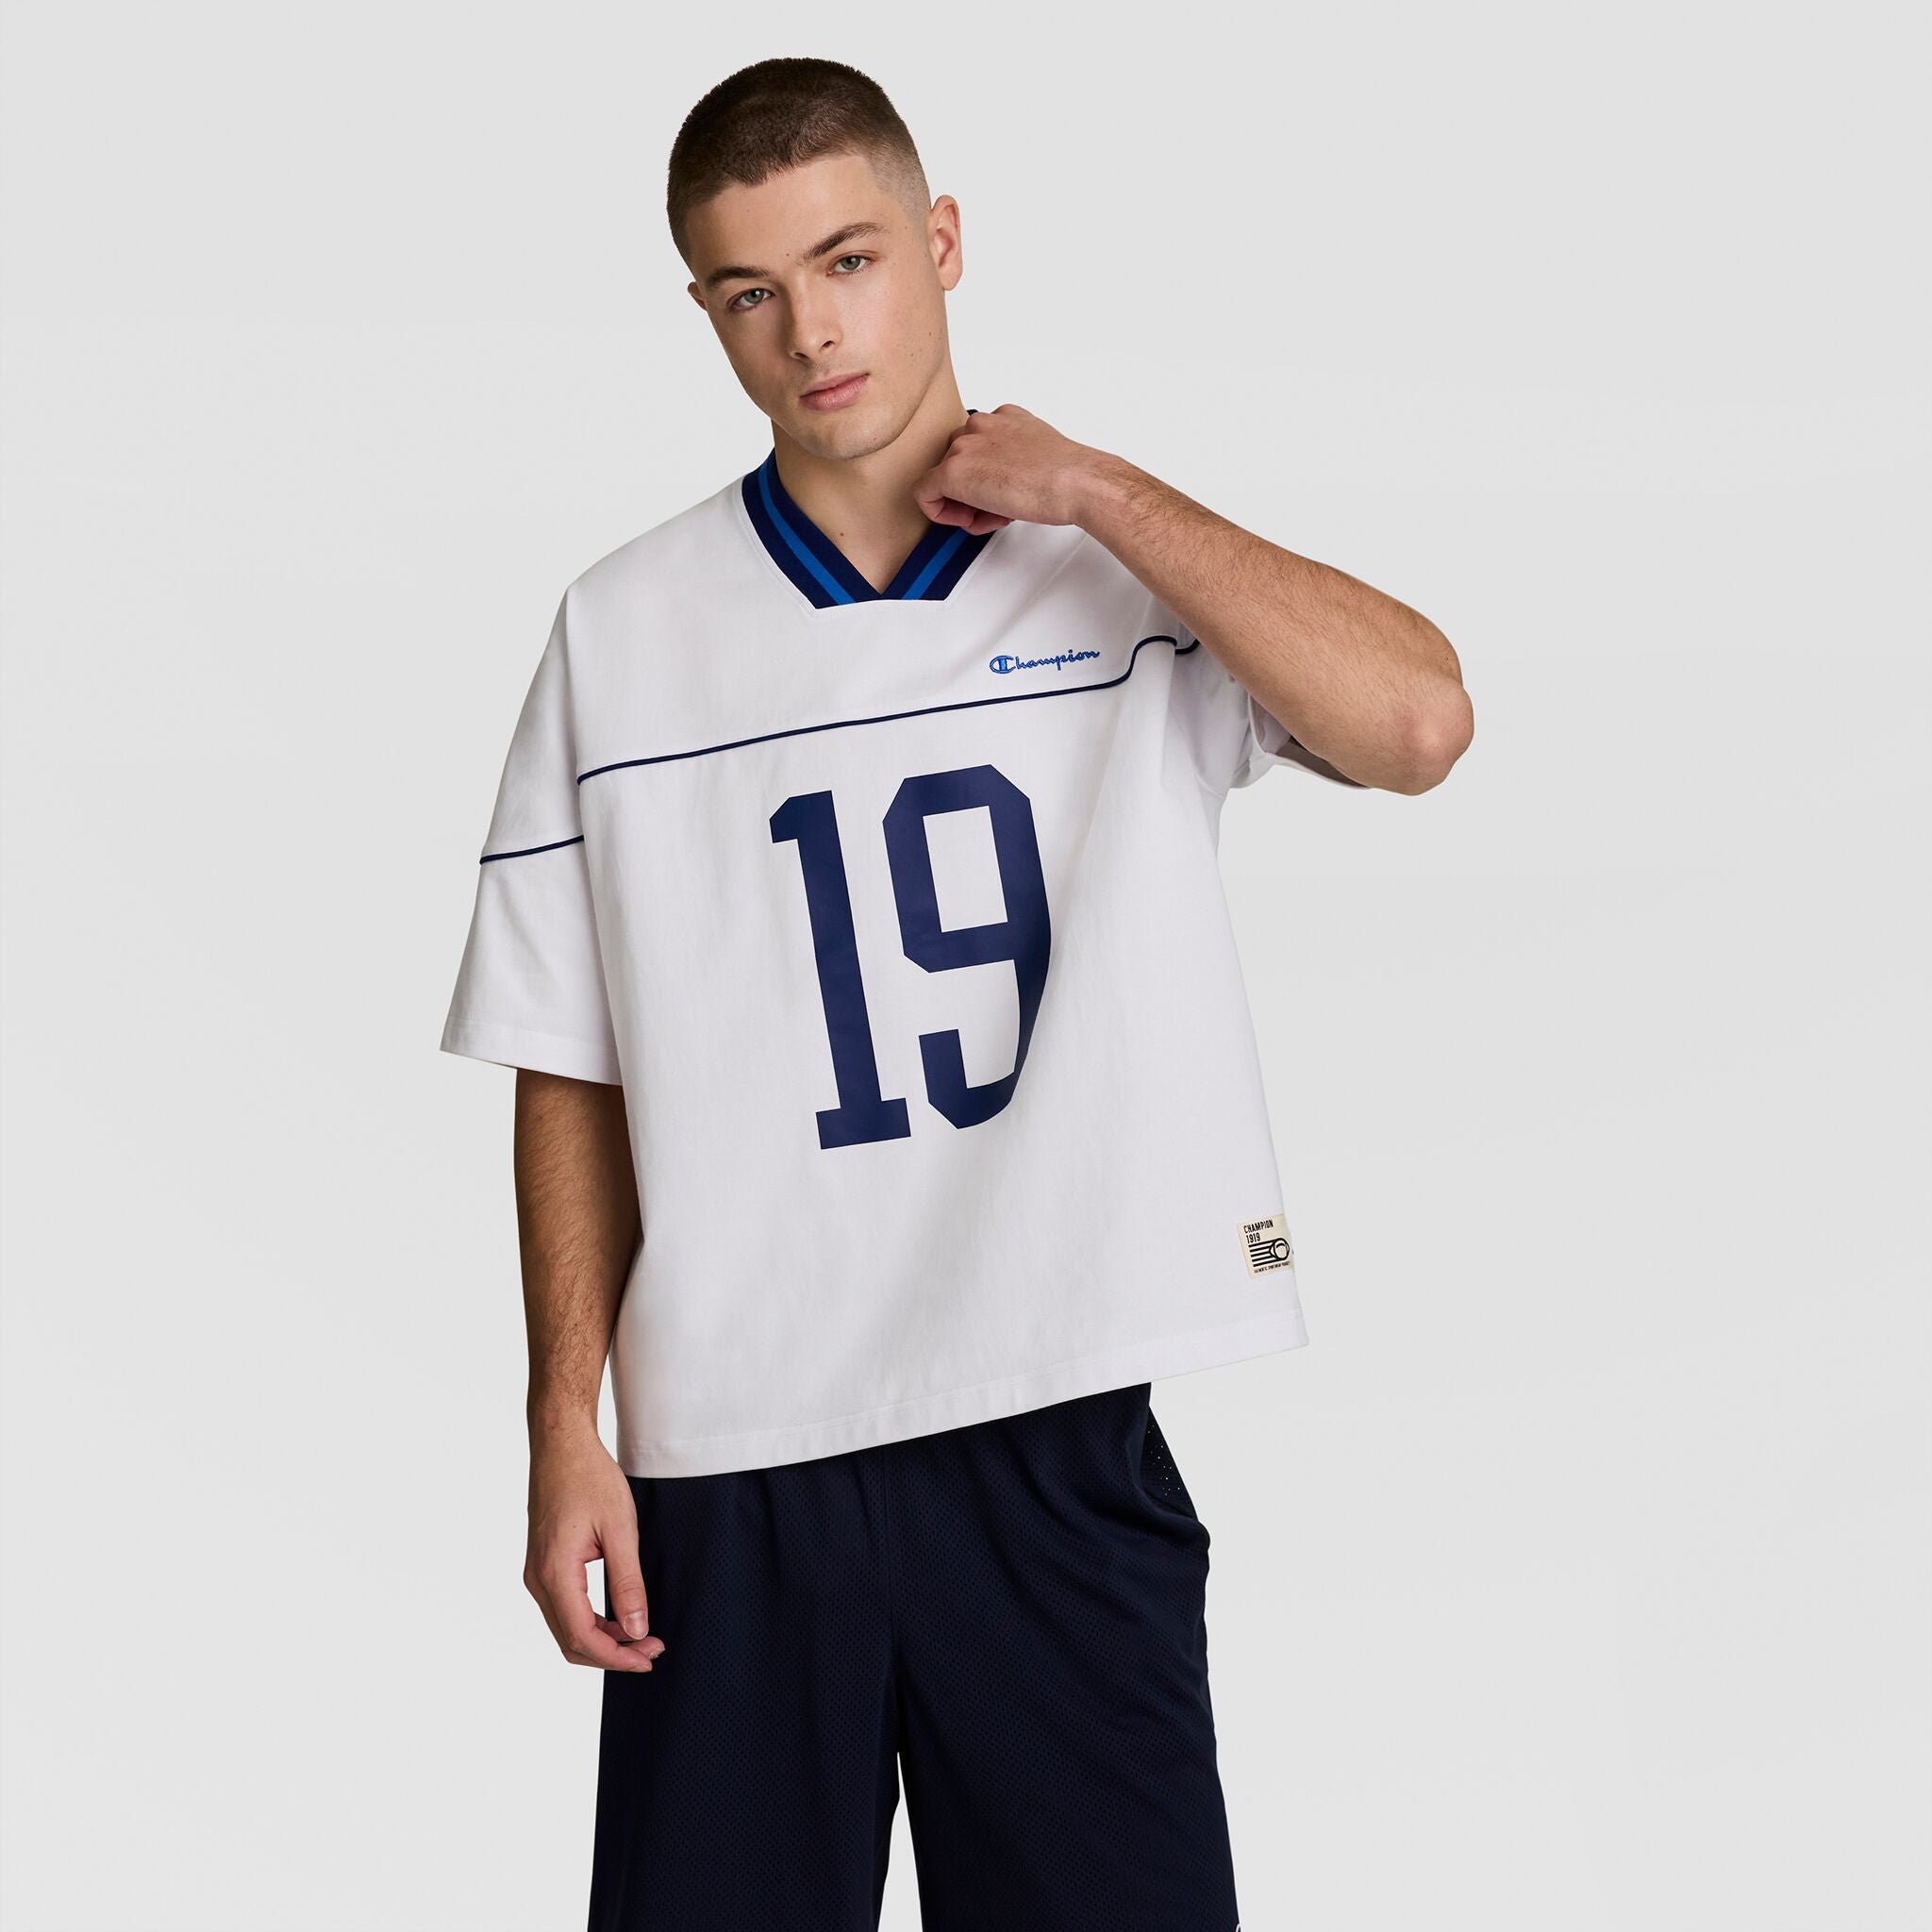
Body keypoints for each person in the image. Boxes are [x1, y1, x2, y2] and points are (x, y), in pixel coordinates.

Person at [440, 54, 1472, 1932]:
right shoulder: (624, 626)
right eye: (752, 293)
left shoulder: (1119, 571)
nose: (810, 331)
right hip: (734, 1463)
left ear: (939, 243)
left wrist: (1093, 487)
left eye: (847, 261)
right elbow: (565, 1051)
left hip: (1049, 1420)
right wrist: (563, 1420)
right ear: (706, 316)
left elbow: (1415, 721)